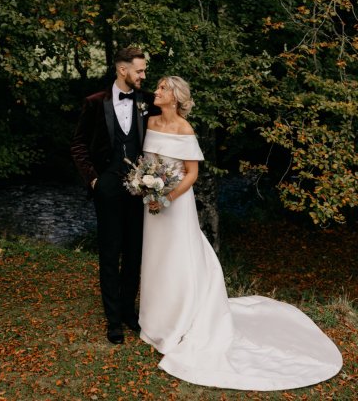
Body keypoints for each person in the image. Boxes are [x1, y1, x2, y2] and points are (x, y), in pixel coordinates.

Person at [139, 75, 342, 390]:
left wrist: (166, 197)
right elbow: (147, 164)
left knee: (177, 257)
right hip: (152, 204)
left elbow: (191, 174)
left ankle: (180, 321)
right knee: (155, 258)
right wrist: (147, 189)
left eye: (163, 88)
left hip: (175, 204)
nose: (157, 91)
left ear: (176, 97)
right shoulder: (150, 121)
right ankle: (153, 322)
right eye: (159, 87)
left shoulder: (185, 129)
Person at [71, 47, 158, 345]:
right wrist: (94, 180)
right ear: (123, 70)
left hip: (140, 187)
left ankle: (128, 313)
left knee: (134, 252)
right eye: (140, 71)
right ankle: (113, 321)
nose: (144, 76)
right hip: (106, 186)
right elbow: (79, 145)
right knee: (110, 253)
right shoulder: (95, 103)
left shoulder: (147, 101)